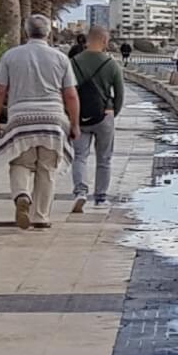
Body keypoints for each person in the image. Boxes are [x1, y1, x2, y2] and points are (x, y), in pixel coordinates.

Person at [0, 13, 79, 230]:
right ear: (48, 33)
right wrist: (74, 123)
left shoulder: (11, 56)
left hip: (21, 119)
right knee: (47, 168)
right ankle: (40, 217)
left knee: (20, 163)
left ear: (26, 31)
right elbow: (70, 95)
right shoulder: (60, 58)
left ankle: (22, 195)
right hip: (53, 120)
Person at [68, 25, 125, 214]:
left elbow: (67, 91)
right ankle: (100, 197)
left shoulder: (73, 62)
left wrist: (71, 116)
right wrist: (112, 113)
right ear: (104, 41)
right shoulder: (111, 64)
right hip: (104, 115)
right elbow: (120, 94)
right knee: (104, 159)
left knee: (79, 157)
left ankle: (80, 192)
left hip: (79, 117)